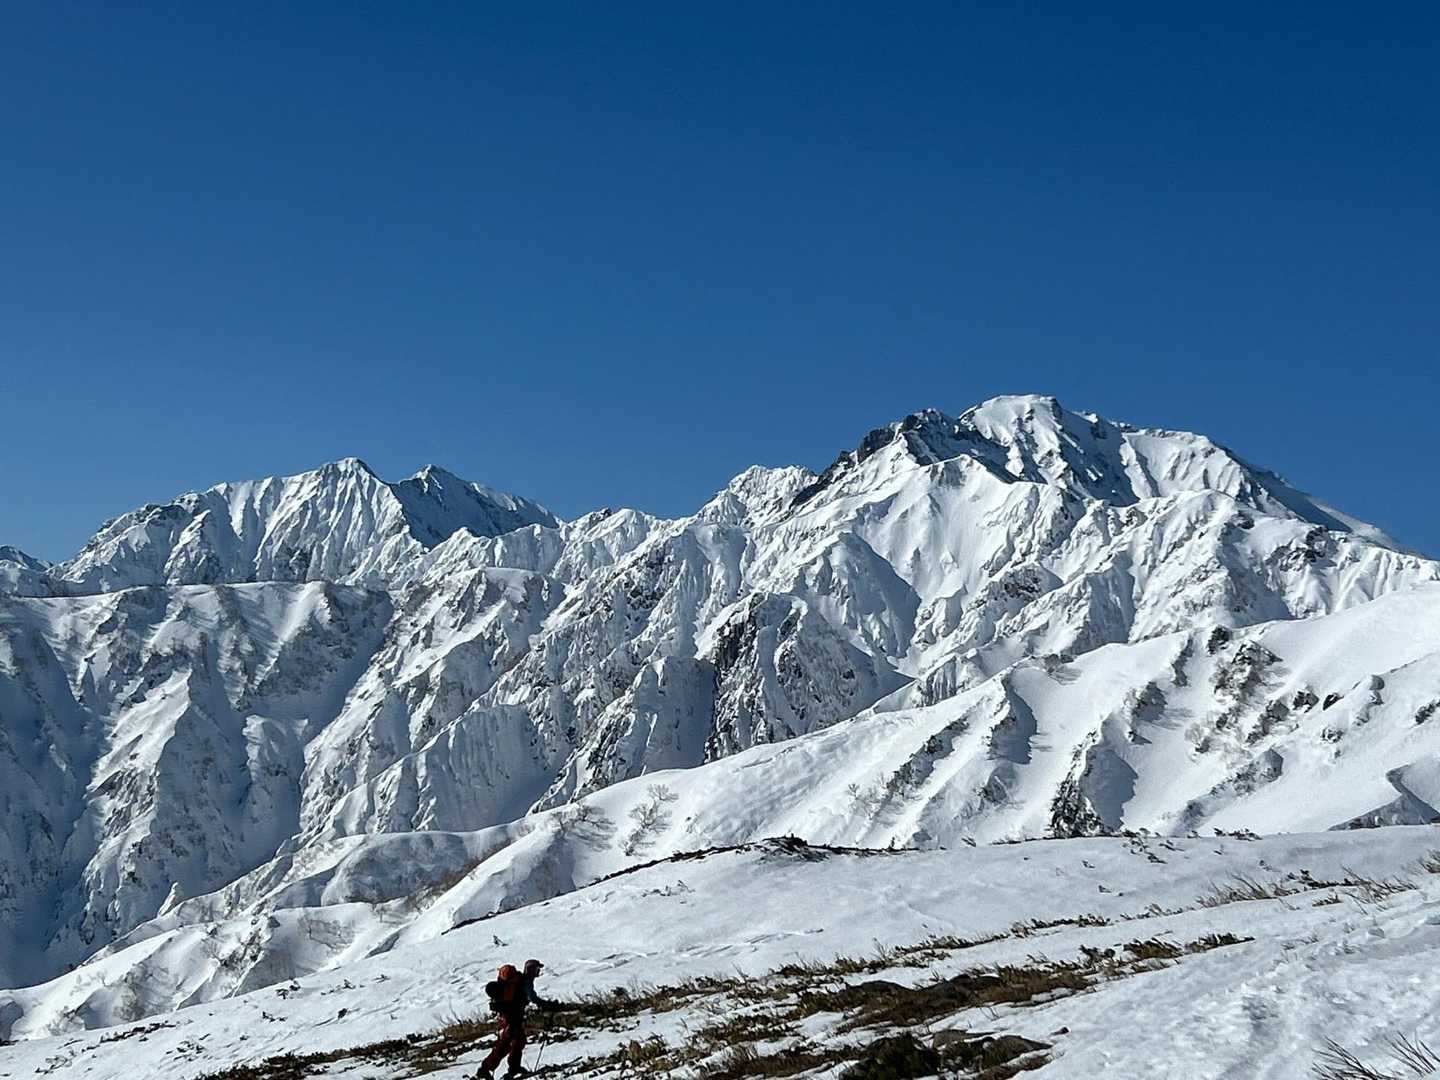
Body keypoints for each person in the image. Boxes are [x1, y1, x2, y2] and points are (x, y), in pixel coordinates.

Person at [478, 959, 555, 1079]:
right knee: (506, 1044)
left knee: (517, 1041)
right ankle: (486, 1069)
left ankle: (512, 1068)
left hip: (510, 1016)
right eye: (536, 969)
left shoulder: (519, 981)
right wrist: (548, 1005)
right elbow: (533, 999)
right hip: (511, 1017)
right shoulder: (524, 982)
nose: (537, 972)